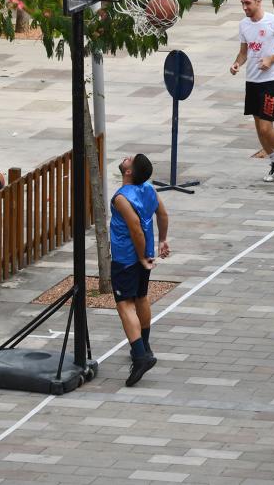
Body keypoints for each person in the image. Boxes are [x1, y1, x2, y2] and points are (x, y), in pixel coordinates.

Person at [110, 154, 170, 387]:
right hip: (142, 254)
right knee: (141, 297)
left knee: (125, 304)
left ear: (128, 172)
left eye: (129, 160)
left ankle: (140, 356)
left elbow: (135, 227)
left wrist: (142, 256)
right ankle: (144, 345)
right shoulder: (148, 190)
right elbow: (162, 214)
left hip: (127, 258)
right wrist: (162, 240)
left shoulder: (122, 199)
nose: (126, 158)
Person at [230, 0, 274, 183]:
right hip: (252, 81)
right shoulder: (243, 25)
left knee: (267, 127)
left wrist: (272, 58)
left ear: (259, 1)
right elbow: (244, 52)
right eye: (242, 3)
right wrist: (236, 64)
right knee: (259, 129)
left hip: (271, 81)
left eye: (248, 3)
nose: (244, 7)